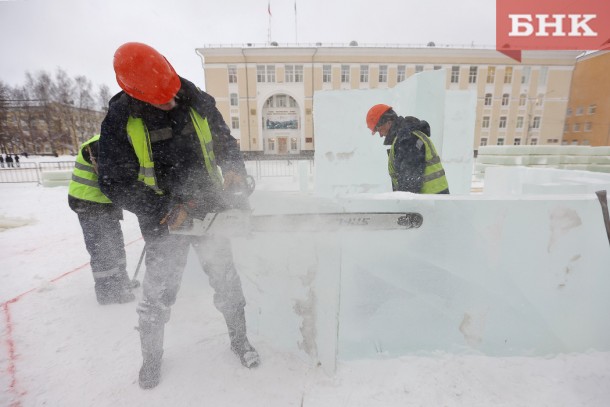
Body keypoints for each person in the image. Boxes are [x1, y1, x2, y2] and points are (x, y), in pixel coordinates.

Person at [97, 42, 259, 390]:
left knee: (227, 282)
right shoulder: (120, 119)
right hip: (165, 221)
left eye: (172, 94)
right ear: (137, 94)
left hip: (211, 210)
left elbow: (225, 142)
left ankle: (239, 340)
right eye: (161, 99)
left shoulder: (193, 98)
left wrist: (233, 170)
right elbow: (114, 182)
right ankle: (151, 359)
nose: (171, 102)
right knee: (157, 296)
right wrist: (162, 209)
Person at [68, 135, 136, 305]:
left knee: (115, 245)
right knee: (102, 249)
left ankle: (121, 283)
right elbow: (111, 178)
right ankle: (108, 293)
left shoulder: (118, 141)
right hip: (89, 203)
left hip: (105, 204)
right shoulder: (102, 143)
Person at [366, 104, 449, 194]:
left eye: (379, 130)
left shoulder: (407, 139)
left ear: (388, 122)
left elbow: (410, 183)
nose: (381, 135)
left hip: (429, 202)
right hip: (433, 200)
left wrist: (402, 205)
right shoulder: (406, 136)